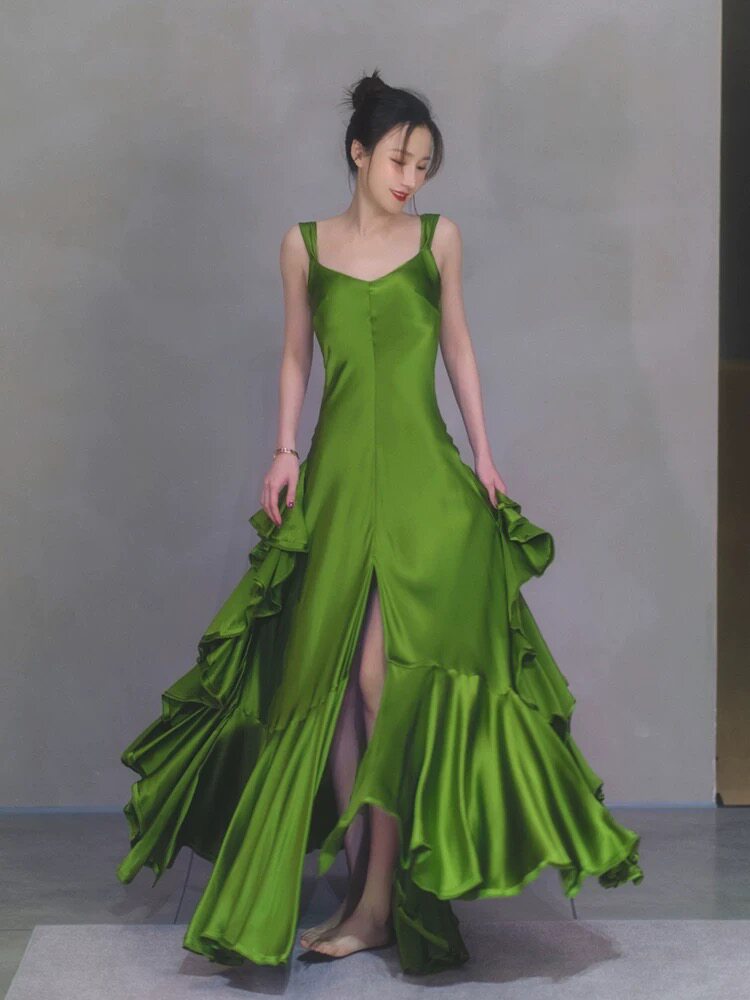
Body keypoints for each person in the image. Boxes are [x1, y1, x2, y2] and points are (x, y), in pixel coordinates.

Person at [117, 68, 644, 976]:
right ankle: (371, 880)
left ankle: (374, 904)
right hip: (334, 486)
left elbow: (459, 348)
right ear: (359, 153)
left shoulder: (439, 241)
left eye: (425, 166)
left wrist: (485, 456)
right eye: (400, 159)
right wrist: (284, 450)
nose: (411, 178)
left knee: (379, 684)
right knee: (326, 686)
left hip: (422, 483)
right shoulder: (303, 246)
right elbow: (295, 356)